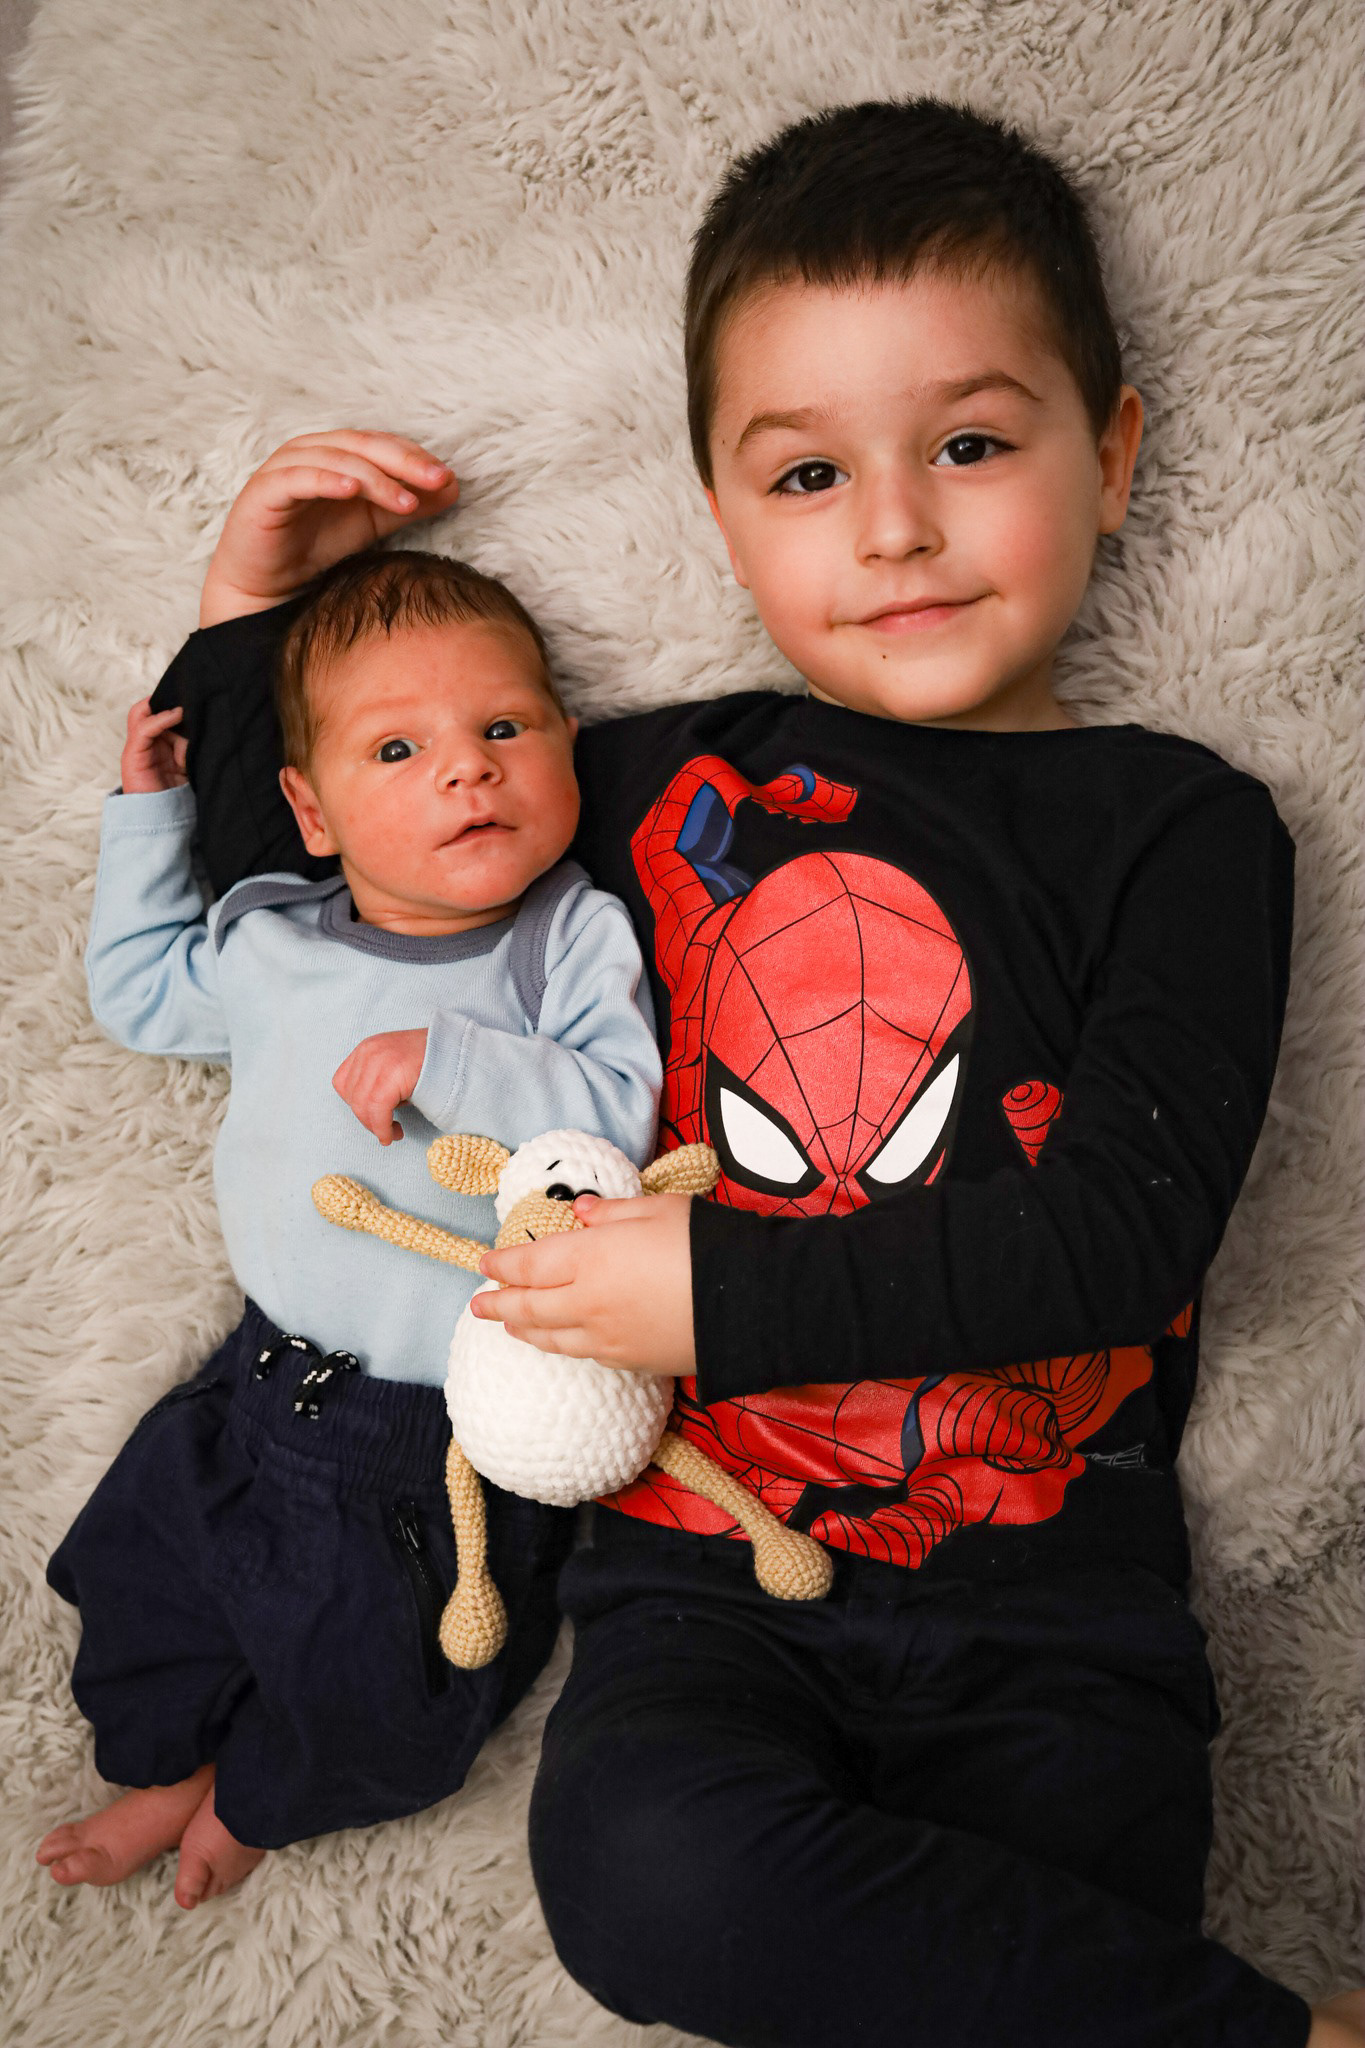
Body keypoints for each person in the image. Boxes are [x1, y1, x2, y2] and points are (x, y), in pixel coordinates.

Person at [121, 99, 1362, 2048]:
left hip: (1052, 1603)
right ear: (720, 512)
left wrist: (710, 1291)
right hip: (705, 1588)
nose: (893, 526)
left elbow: (1125, 1234)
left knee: (1041, 1934)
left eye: (969, 445)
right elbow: (328, 872)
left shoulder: (1178, 828)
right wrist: (245, 621)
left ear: (1110, 455)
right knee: (642, 1882)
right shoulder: (652, 781)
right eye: (804, 473)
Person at [36, 547, 661, 1909]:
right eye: (398, 748)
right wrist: (147, 819)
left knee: (392, 1682)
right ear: (312, 814)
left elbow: (620, 1111)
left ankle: (261, 1793)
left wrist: (459, 1061)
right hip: (251, 1383)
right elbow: (140, 996)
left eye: (506, 728)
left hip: (431, 1440)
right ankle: (163, 1762)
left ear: (567, 745)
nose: (467, 769)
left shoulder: (564, 938)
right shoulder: (276, 940)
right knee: (139, 1576)